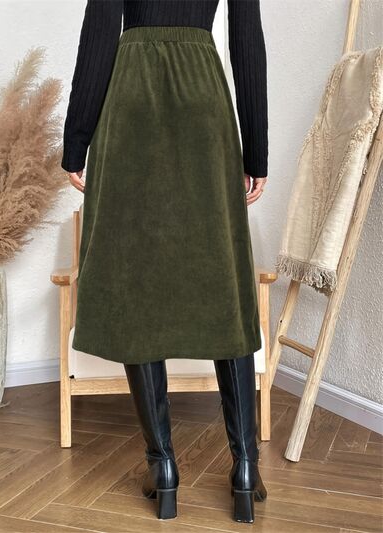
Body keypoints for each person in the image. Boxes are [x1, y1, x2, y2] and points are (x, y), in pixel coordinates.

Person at [62, 0, 268, 523]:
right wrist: (257, 150)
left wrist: (76, 140)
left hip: (131, 97)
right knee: (224, 282)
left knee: (137, 279)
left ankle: (164, 466)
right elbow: (247, 40)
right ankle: (245, 466)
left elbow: (100, 31)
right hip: (204, 96)